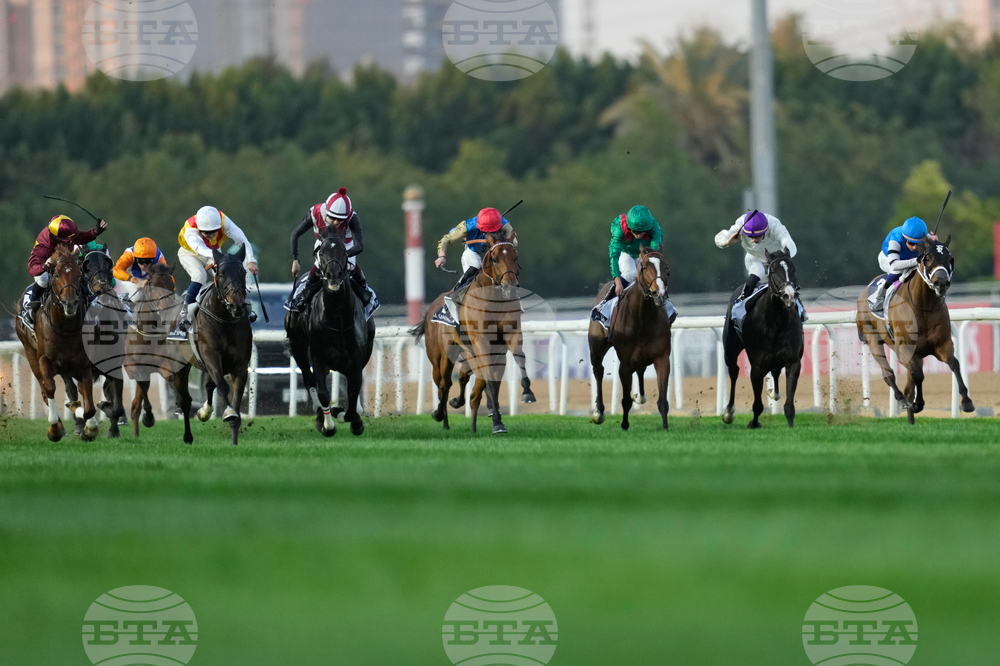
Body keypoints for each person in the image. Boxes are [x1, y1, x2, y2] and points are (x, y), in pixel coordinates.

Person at [167, 206, 258, 341]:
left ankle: (240, 306)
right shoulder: (190, 229)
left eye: (213, 232)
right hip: (190, 253)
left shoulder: (223, 221)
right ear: (199, 228)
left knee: (226, 275)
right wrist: (219, 258)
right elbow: (200, 249)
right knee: (200, 276)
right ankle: (183, 317)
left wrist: (251, 260)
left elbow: (242, 239)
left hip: (213, 252)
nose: (210, 235)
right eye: (205, 232)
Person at [285, 187, 373, 313]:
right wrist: (295, 260)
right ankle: (303, 298)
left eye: (340, 220)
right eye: (332, 218)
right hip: (324, 243)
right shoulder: (315, 213)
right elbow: (295, 233)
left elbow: (359, 245)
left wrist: (343, 255)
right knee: (319, 265)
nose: (336, 222)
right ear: (327, 211)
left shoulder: (353, 218)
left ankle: (365, 293)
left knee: (351, 265)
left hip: (345, 246)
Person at [20, 214, 107, 330]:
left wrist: (95, 232)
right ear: (56, 238)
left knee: (76, 273)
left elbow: (80, 237)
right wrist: (44, 267)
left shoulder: (67, 233)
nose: (70, 241)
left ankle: (90, 301)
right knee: (43, 279)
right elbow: (32, 269)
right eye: (68, 240)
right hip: (47, 262)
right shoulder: (43, 245)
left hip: (64, 259)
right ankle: (30, 306)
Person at [714, 209, 806, 319]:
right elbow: (719, 238)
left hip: (776, 258)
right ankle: (740, 303)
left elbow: (790, 244)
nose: (754, 240)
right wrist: (727, 241)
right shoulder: (741, 224)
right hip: (755, 257)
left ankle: (800, 308)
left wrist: (783, 254)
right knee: (758, 271)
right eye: (750, 237)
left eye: (757, 236)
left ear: (765, 230)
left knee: (785, 279)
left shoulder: (774, 224)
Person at [597, 204, 677, 323]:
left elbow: (655, 249)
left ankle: (668, 307)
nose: (639, 235)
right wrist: (618, 281)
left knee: (655, 273)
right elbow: (614, 255)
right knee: (631, 274)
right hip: (626, 253)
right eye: (635, 232)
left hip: (646, 254)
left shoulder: (654, 227)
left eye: (642, 232)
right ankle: (604, 305)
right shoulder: (620, 229)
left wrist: (648, 256)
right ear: (629, 227)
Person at [435, 207, 516, 315]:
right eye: (486, 231)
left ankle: (514, 301)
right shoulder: (467, 226)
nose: (489, 234)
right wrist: (442, 256)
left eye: (493, 231)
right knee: (477, 266)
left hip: (495, 254)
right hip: (474, 252)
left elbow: (514, 242)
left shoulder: (505, 224)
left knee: (506, 270)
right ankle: (455, 296)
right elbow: (446, 239)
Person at [872, 216, 936, 315]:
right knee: (900, 271)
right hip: (888, 259)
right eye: (911, 243)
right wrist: (916, 261)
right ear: (905, 238)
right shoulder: (896, 238)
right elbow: (894, 265)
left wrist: (935, 243)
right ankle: (881, 294)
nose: (915, 247)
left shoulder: (926, 237)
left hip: (909, 259)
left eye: (918, 244)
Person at [113, 238, 169, 303]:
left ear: (153, 258)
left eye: (148, 261)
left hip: (146, 284)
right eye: (141, 261)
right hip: (125, 281)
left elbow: (168, 277)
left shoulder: (159, 258)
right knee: (137, 295)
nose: (144, 266)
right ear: (136, 257)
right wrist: (136, 280)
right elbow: (116, 270)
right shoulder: (130, 254)